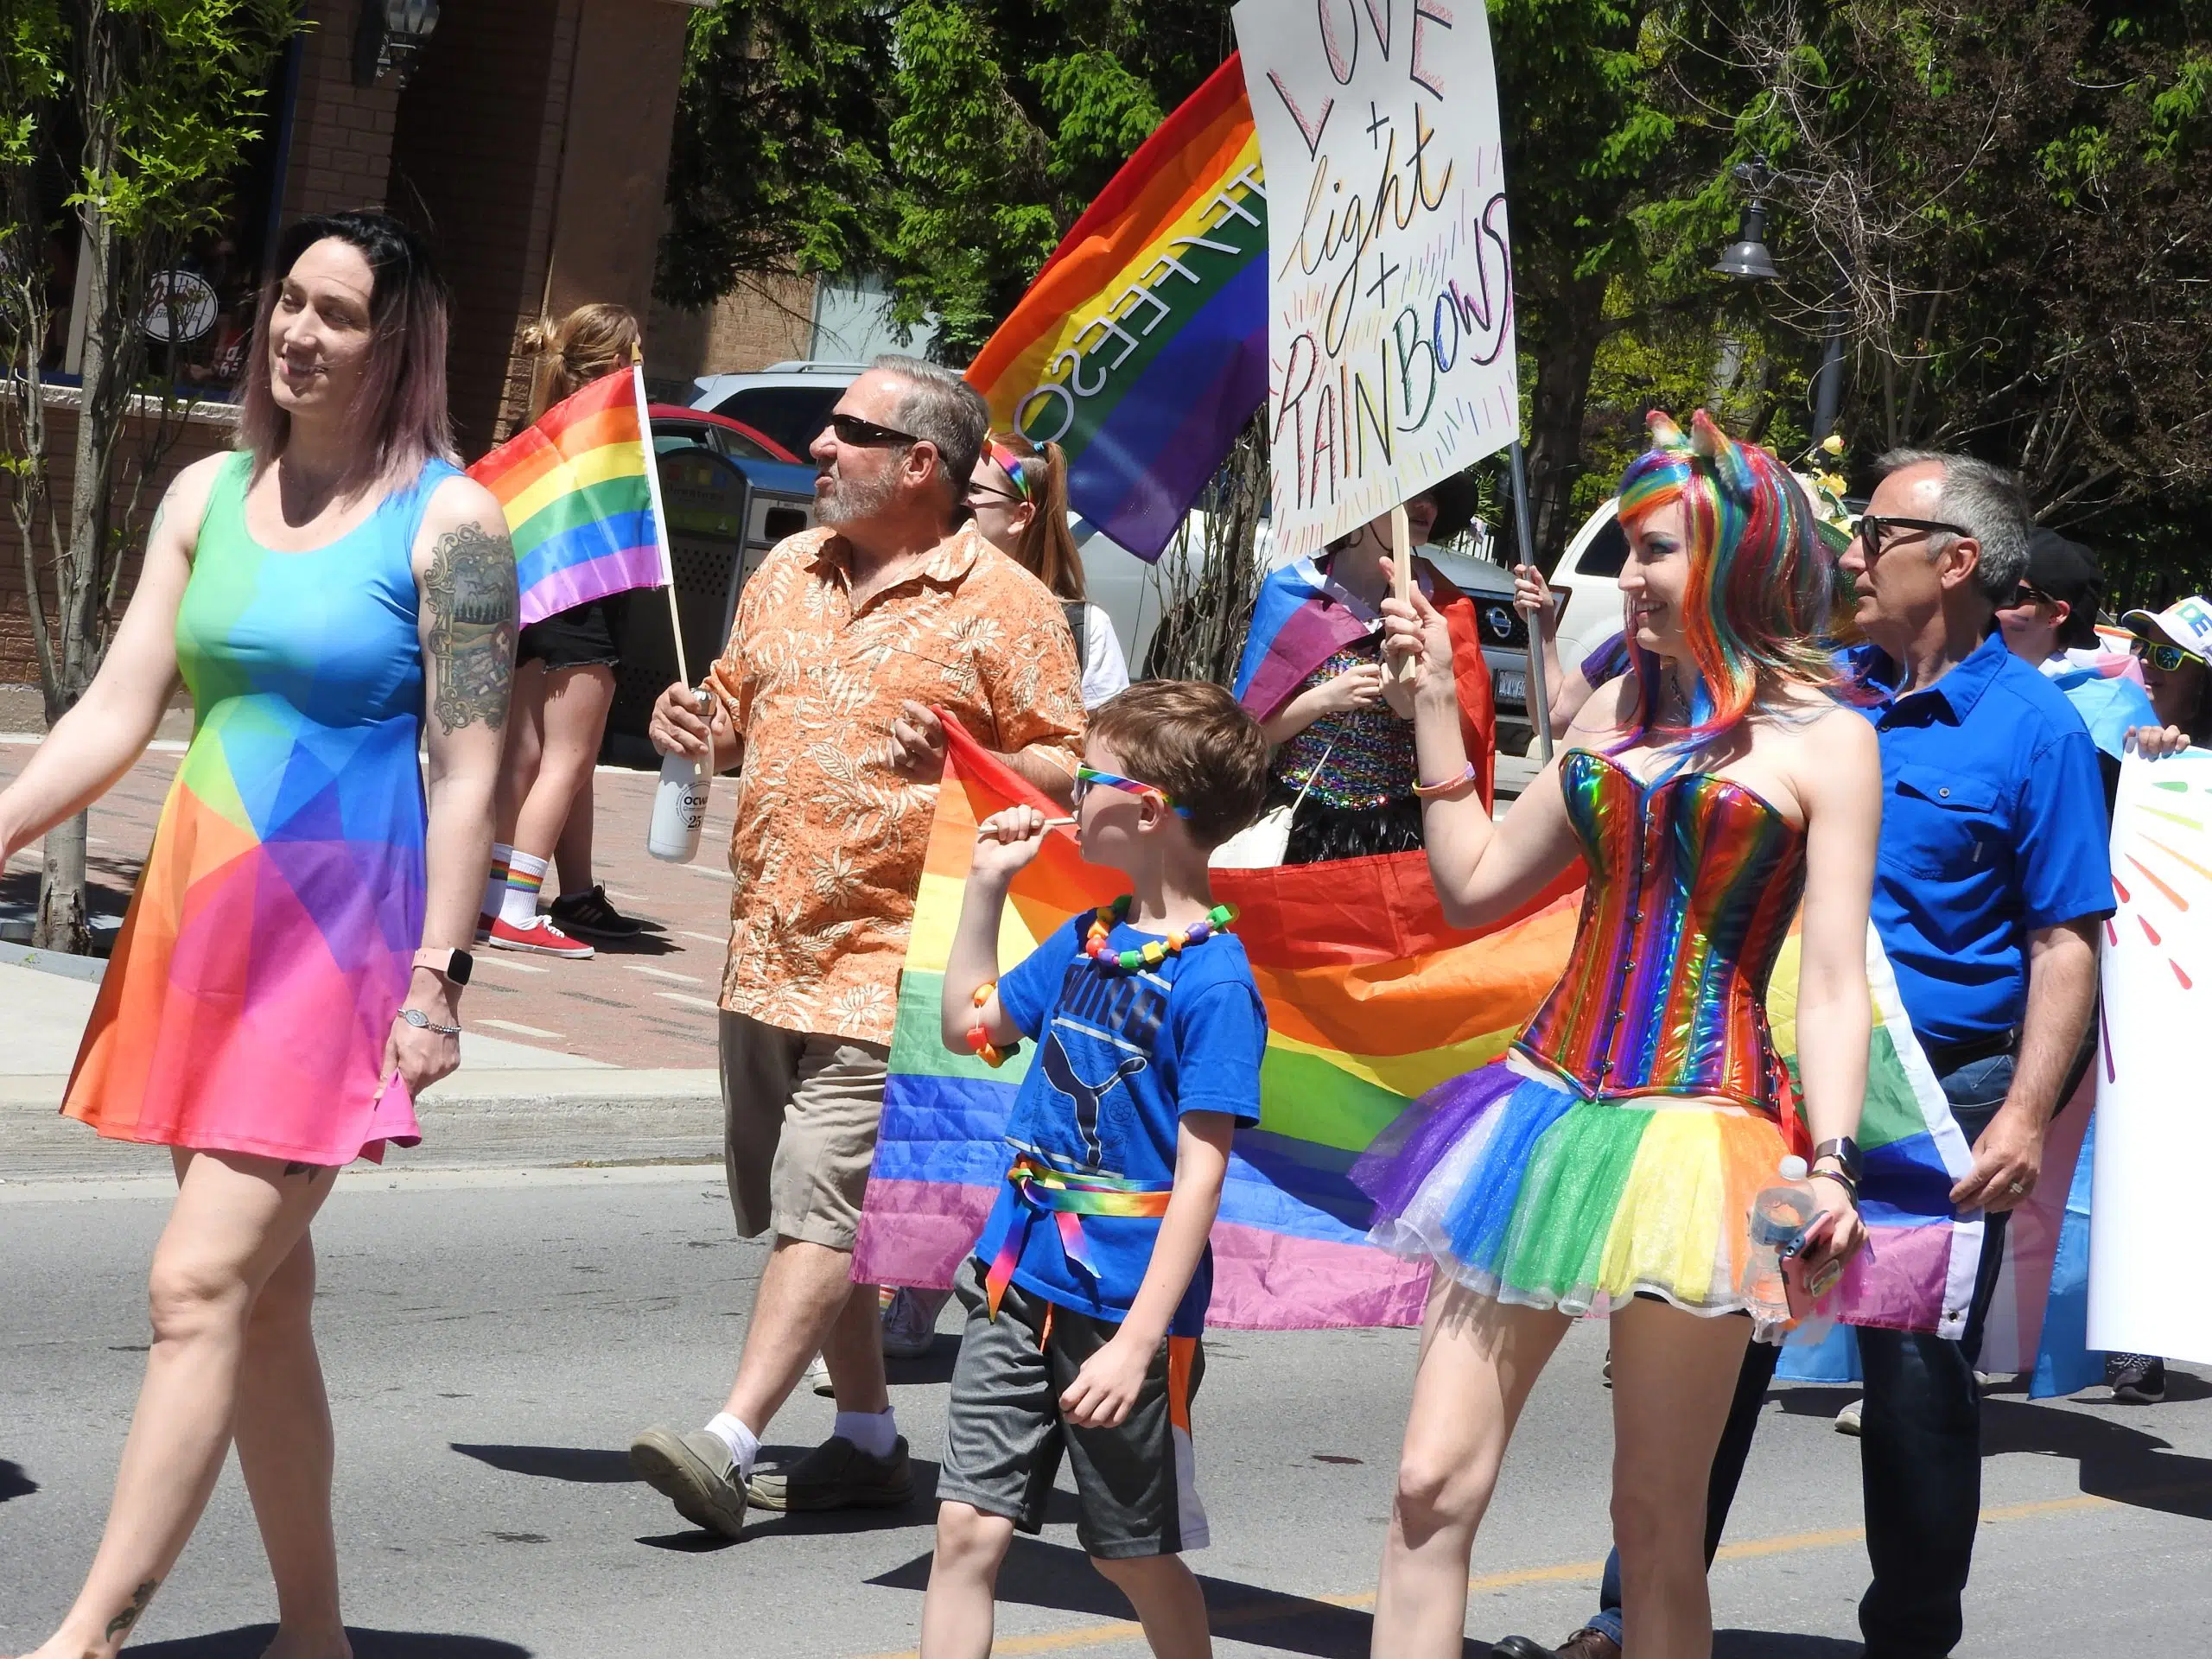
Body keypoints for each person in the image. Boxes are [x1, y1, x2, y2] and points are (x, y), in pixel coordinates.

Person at [0, 212, 510, 1659]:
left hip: (342, 945)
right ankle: (316, 1638)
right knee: (264, 1306)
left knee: (195, 1285)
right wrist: (9, 819)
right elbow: (116, 706)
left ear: (395, 339)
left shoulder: (454, 524)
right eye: (288, 303)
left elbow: (471, 769)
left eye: (336, 314)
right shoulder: (204, 492)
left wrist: (442, 980)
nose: (298, 334)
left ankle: (89, 1634)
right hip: (199, 921)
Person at [1507, 447, 2115, 1659]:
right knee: (1705, 1346)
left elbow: (2065, 942)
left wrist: (2023, 1118)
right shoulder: (1814, 693)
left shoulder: (2034, 730)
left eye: (1876, 533)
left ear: (1954, 564)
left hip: (1939, 1103)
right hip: (1761, 1083)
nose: (1848, 554)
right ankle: (1635, 1616)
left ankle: (1908, 1637)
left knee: (1912, 1395)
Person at [1357, 410, 1878, 1659]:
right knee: (1429, 1486)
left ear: (1740, 561)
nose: (1629, 577)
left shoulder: (1828, 741)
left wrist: (1833, 1162)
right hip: (1539, 1110)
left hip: (1705, 1136)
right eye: (1631, 551)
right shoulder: (1606, 724)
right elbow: (1477, 885)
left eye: (1657, 552)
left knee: (1653, 1519)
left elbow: (1837, 978)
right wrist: (1433, 708)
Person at [625, 356, 1087, 1538]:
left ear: (921, 464)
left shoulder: (1007, 607)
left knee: (824, 1206)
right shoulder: (786, 569)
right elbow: (732, 704)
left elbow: (1065, 763)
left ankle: (729, 1441)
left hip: (898, 958)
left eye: (847, 431)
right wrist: (692, 722)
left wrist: (969, 763)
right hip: (767, 949)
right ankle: (873, 1443)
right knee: (806, 1213)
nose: (821, 448)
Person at [920, 680, 1270, 1659]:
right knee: (965, 1529)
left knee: (1128, 1554)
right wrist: (985, 889)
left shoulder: (1214, 983)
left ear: (1149, 809)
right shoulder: (1086, 940)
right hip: (1013, 1276)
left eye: (1088, 777)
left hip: (1124, 1310)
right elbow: (968, 1025)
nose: (1071, 794)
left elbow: (1201, 1181)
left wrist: (1133, 1347)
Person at [477, 303, 648, 958]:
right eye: (636, 353)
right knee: (569, 759)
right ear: (613, 364)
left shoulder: (543, 425)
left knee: (527, 757)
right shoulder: (609, 434)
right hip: (586, 608)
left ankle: (505, 897)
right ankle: (518, 905)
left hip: (532, 606)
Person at [1232, 478, 1497, 864]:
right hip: (1296, 827)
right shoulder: (1291, 593)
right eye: (1411, 492)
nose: (1428, 505)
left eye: (1435, 496)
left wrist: (1416, 705)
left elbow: (1469, 740)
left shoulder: (1446, 608)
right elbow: (1251, 732)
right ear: (1360, 501)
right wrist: (1325, 699)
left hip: (1397, 835)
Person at [965, 432, 1132, 709]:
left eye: (970, 489)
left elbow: (1108, 740)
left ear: (1020, 516)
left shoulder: (1083, 628)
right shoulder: (916, 593)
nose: (951, 499)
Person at [1993, 529, 2154, 804]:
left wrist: (2158, 749)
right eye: (1984, 588)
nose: (1988, 606)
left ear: (2055, 614)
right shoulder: (1941, 683)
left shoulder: (2110, 711)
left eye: (2009, 593)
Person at [1511, 565, 1632, 732]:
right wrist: (1542, 622)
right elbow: (1551, 716)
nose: (1625, 580)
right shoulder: (1626, 649)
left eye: (1657, 549)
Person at [2122, 594, 2212, 753]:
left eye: (2167, 655)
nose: (2145, 661)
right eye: (2144, 646)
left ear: (2202, 681)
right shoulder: (2109, 732)